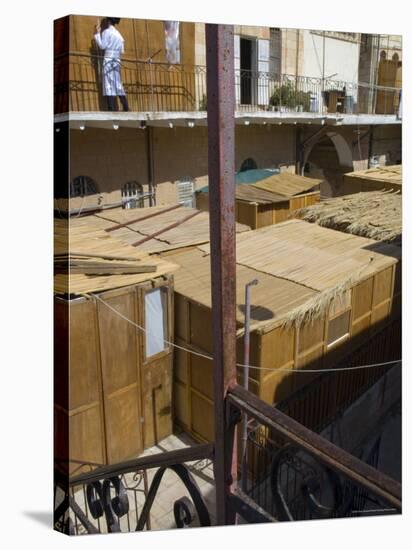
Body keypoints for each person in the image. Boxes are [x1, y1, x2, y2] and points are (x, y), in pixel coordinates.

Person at [94, 17, 129, 111]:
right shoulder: (119, 35)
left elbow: (102, 46)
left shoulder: (107, 32)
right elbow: (122, 51)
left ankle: (111, 108)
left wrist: (97, 34)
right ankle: (125, 106)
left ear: (108, 21)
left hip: (108, 58)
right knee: (117, 82)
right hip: (117, 59)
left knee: (108, 83)